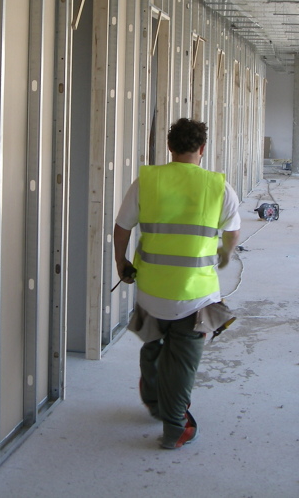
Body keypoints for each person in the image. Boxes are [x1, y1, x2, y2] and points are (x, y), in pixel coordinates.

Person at [113, 118, 241, 449]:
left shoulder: (147, 181)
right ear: (202, 149)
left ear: (169, 148)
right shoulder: (218, 186)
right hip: (196, 297)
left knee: (153, 342)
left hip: (152, 290)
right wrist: (225, 254)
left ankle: (154, 395)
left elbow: (122, 227)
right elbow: (232, 229)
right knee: (183, 360)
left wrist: (121, 262)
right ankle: (176, 427)